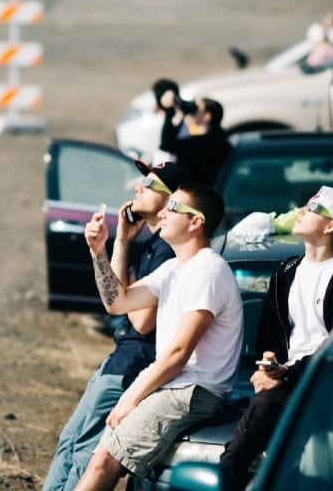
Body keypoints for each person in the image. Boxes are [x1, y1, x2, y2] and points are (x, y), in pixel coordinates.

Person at [74, 183, 244, 490]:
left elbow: (179, 352)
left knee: (103, 462)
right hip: (173, 384)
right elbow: (117, 302)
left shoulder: (209, 271)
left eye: (174, 207)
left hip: (193, 389)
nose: (163, 212)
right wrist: (99, 251)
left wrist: (131, 398)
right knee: (105, 459)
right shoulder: (173, 269)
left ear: (196, 222)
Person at [218, 186, 333, 491]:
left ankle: (225, 482)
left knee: (261, 416)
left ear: (331, 225)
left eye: (313, 209)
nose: (302, 211)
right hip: (284, 381)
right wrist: (267, 361)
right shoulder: (287, 270)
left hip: (328, 387)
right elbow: (269, 331)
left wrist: (285, 376)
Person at [42, 160, 191, 490]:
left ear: (172, 201)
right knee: (69, 443)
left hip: (132, 365)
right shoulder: (152, 244)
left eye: (150, 185)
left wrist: (106, 254)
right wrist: (121, 241)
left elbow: (140, 321)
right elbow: (116, 303)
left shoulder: (169, 253)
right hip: (118, 359)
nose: (138, 187)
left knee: (83, 453)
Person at [153, 78, 232, 185]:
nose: (193, 112)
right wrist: (181, 114)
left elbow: (167, 145)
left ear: (207, 116)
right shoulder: (218, 137)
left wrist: (169, 112)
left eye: (197, 109)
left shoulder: (205, 142)